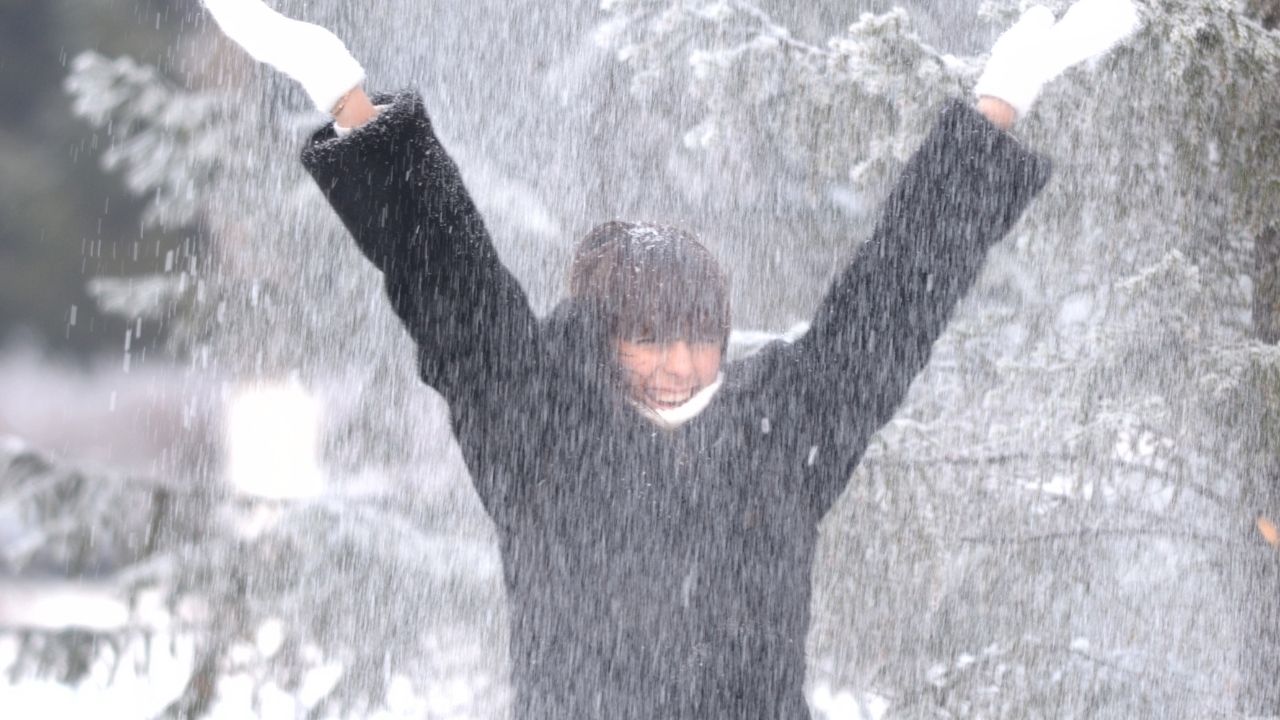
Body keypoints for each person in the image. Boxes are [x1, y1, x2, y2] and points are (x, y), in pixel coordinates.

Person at [202, 1, 1140, 717]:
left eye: (699, 335)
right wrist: (339, 87)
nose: (680, 364)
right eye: (649, 337)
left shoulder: (783, 424)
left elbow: (899, 293)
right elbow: (446, 277)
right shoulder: (537, 426)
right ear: (606, 337)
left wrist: (1004, 94)